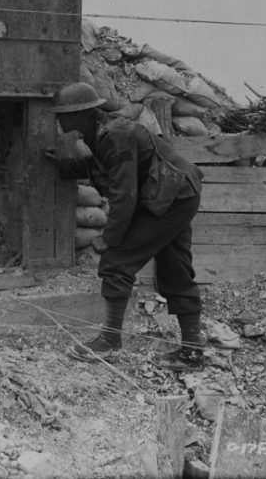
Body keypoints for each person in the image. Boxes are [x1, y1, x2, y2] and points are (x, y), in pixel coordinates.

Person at [46, 82, 206, 371]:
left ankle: (109, 341)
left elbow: (125, 194)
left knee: (117, 261)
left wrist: (109, 237)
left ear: (83, 114)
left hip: (171, 196)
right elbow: (109, 169)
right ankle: (192, 352)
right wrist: (69, 167)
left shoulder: (115, 135)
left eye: (64, 114)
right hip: (177, 193)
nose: (60, 120)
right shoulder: (103, 133)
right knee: (175, 268)